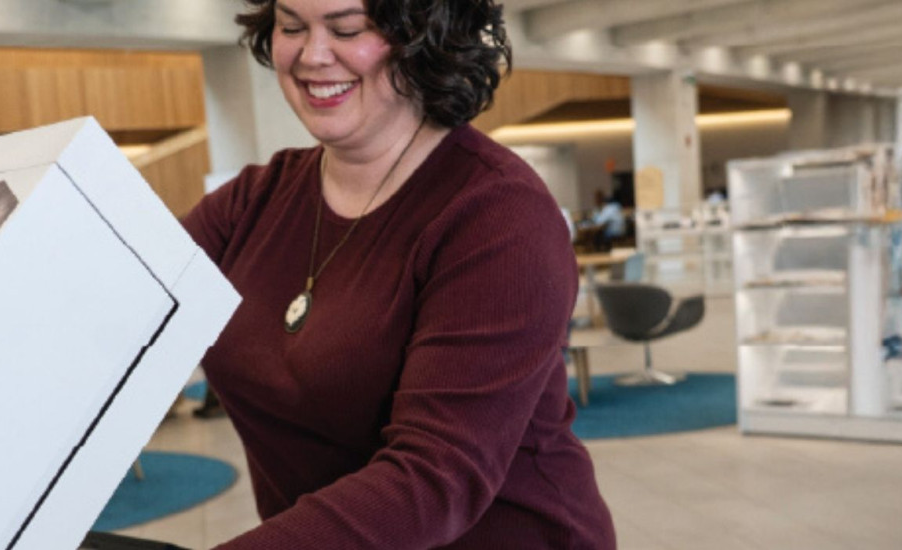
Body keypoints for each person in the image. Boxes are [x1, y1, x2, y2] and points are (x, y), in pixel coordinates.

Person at [180, 0, 614, 547]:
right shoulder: (252, 202)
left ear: (425, 36)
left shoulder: (498, 215)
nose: (312, 55)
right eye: (291, 27)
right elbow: (114, 304)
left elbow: (434, 478)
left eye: (348, 29)